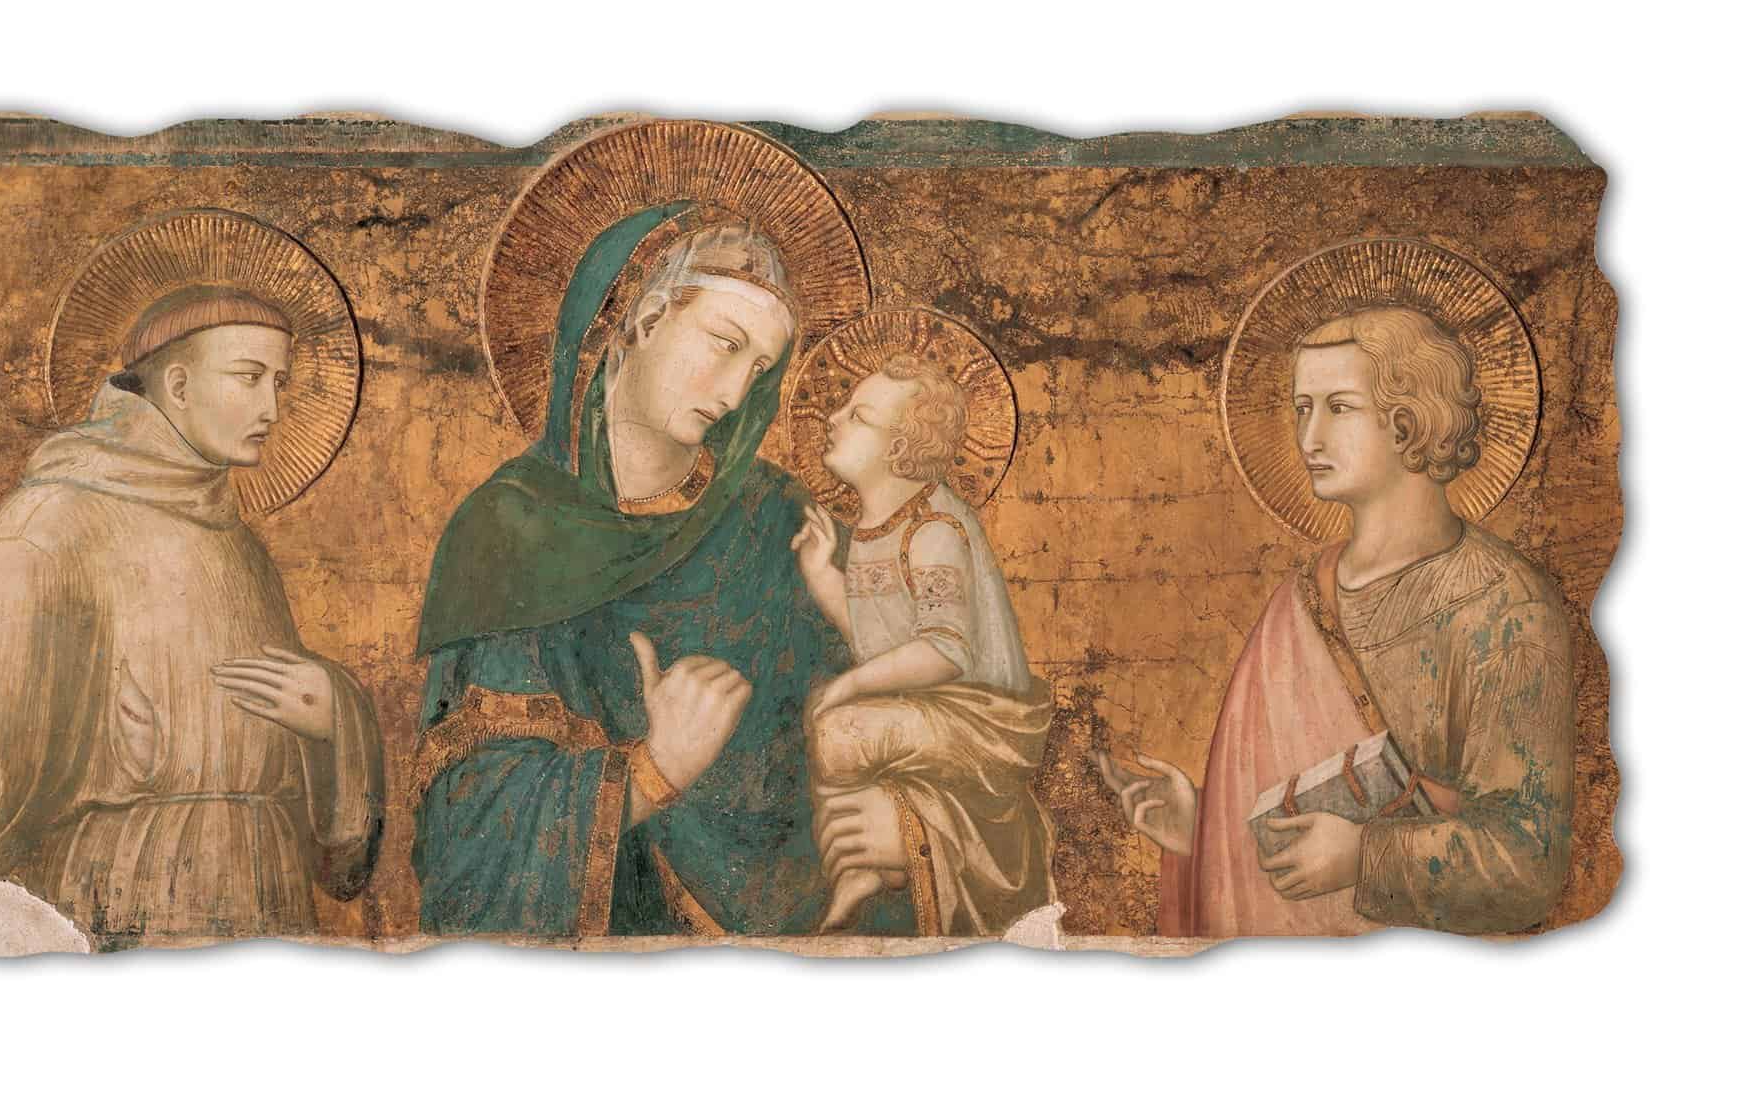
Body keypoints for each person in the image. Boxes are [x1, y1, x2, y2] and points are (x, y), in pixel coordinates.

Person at [411, 206, 907, 938]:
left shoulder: (781, 521)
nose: (734, 393)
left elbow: (909, 714)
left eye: (759, 368)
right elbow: (466, 828)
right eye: (725, 344)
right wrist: (655, 770)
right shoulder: (509, 530)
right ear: (642, 320)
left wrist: (904, 825)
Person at [0, 286, 385, 942]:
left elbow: (327, 840)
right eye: (249, 378)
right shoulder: (49, 524)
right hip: (127, 895)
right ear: (177, 385)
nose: (271, 408)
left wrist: (331, 717)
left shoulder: (239, 545)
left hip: (266, 892)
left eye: (279, 382)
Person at [1098, 305, 1574, 936]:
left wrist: (1363, 857)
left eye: (1338, 407)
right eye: (1302, 408)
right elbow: (1309, 809)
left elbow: (1528, 863)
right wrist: (1208, 830)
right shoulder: (1302, 598)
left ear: (1409, 422)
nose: (1308, 438)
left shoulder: (1506, 608)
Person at [792, 355, 1055, 934]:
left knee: (839, 727)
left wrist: (850, 684)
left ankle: (872, 865)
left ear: (899, 447)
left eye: (857, 415)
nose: (833, 418)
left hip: (980, 719)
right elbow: (877, 641)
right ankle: (863, 866)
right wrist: (824, 577)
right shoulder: (876, 527)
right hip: (929, 710)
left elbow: (945, 650)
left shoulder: (934, 530)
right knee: (831, 729)